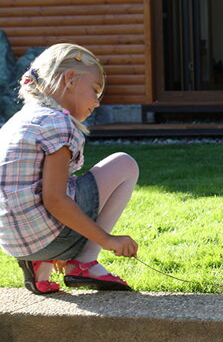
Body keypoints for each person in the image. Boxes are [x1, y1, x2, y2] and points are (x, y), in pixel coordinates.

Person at [0, 43, 139, 294]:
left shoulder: (19, 120)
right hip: (46, 236)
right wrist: (107, 240)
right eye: (95, 90)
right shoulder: (58, 122)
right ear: (70, 79)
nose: (97, 102)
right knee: (124, 164)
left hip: (13, 240)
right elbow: (54, 199)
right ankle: (84, 262)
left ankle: (40, 267)